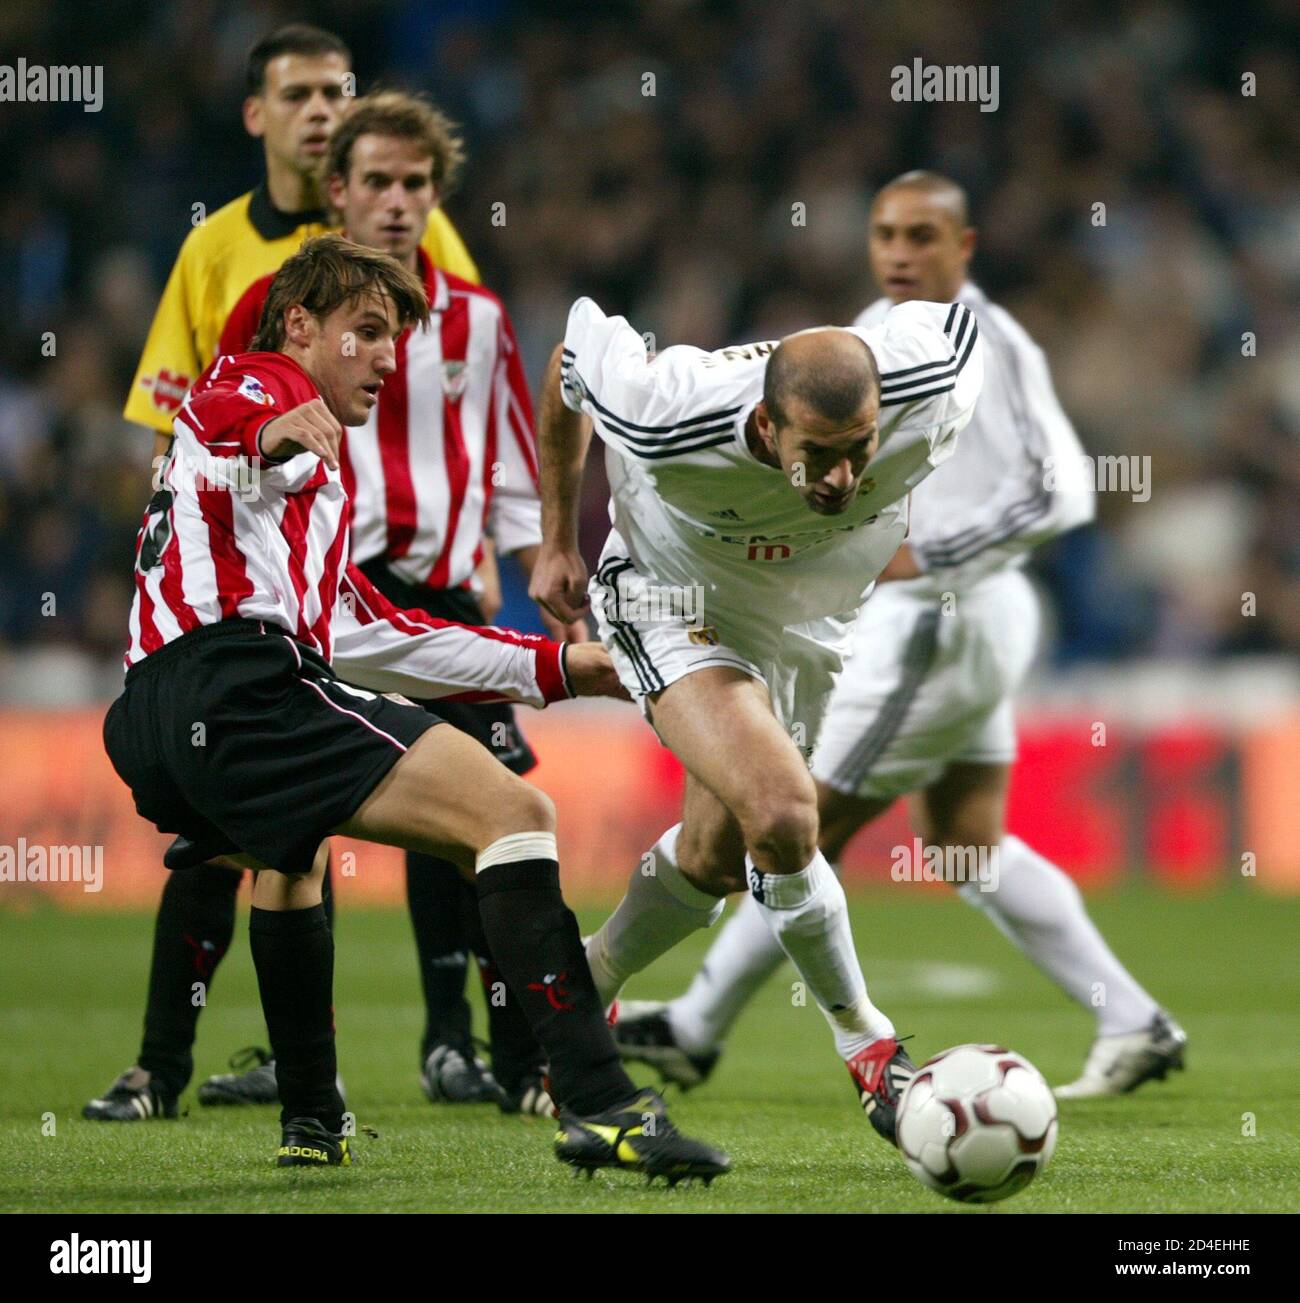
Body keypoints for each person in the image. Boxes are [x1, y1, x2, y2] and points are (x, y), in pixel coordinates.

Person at [100, 234, 730, 1179]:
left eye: (395, 340)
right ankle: (602, 1104)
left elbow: (376, 630)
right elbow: (234, 421)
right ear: (301, 324)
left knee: (291, 859)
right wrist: (274, 433)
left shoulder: (306, 488)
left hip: (153, 715)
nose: (389, 358)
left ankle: (312, 1120)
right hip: (233, 684)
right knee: (515, 815)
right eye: (367, 332)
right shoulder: (256, 384)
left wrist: (559, 668)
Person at [613, 171, 1186, 1099]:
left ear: (965, 247)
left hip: (942, 620)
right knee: (966, 842)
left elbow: (1062, 488)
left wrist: (929, 555)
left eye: (924, 236)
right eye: (885, 232)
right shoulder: (868, 341)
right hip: (960, 622)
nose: (900, 252)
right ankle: (1133, 1019)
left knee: (795, 821)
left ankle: (693, 1023)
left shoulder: (983, 342)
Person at [86, 26, 482, 1124]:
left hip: (386, 548)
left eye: (337, 93)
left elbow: (460, 364)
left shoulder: (406, 220)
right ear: (257, 114)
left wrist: (470, 527)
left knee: (400, 781)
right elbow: (184, 406)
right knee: (255, 823)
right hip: (254, 553)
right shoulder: (219, 253)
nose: (322, 112)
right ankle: (179, 1063)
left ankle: (449, 1040)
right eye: (299, 94)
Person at [529, 275, 984, 1144]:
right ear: (768, 428)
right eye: (817, 451)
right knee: (782, 811)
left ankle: (577, 993)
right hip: (672, 599)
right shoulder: (666, 412)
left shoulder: (937, 375)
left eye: (861, 447)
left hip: (813, 624)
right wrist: (557, 537)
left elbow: (962, 324)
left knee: (715, 855)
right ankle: (870, 1046)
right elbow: (569, 355)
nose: (843, 476)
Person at [209, 90, 585, 1116]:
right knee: (305, 831)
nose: (396, 201)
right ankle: (373, 1054)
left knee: (487, 809)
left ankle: (509, 1059)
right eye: (375, 181)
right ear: (337, 191)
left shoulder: (476, 320)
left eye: (415, 184)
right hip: (339, 596)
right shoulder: (296, 311)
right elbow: (227, 423)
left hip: (448, 588)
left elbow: (509, 460)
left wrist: (539, 557)